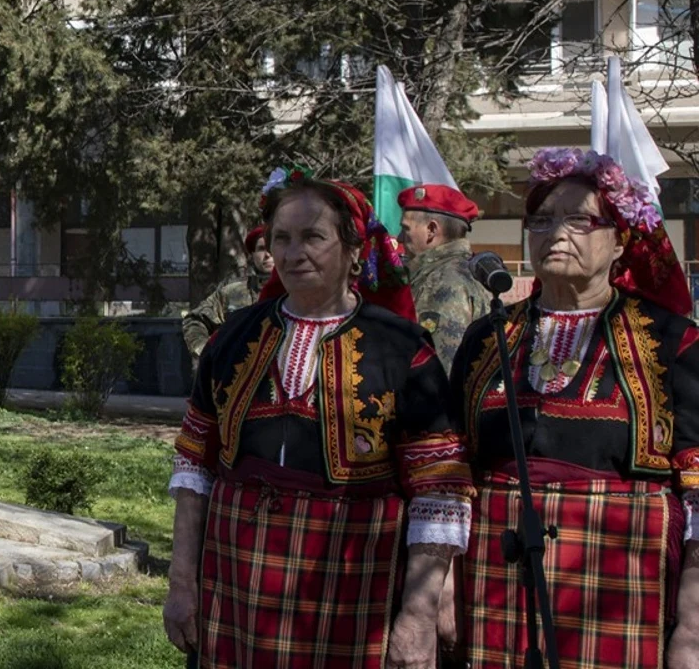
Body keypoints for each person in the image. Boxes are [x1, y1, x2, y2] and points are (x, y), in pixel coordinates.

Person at [163, 169, 473, 668]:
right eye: (280, 238)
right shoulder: (234, 337)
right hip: (237, 578)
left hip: (353, 582)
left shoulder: (402, 350)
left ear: (354, 251)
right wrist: (181, 583)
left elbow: (438, 492)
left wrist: (417, 615)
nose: (291, 252)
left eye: (313, 237)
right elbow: (194, 468)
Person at [448, 149, 699, 669]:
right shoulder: (489, 335)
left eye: (579, 219)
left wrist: (693, 629)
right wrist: (441, 588)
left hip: (619, 585)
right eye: (540, 220)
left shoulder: (672, 342)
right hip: (495, 582)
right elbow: (452, 474)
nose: (555, 233)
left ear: (619, 241)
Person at [396, 184, 491, 369]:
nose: (399, 238)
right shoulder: (459, 270)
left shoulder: (442, 282)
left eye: (406, 229)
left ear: (431, 230)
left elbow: (438, 374)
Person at [182, 224, 272, 359]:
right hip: (237, 372)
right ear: (252, 255)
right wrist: (207, 353)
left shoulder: (298, 291)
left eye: (272, 248)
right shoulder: (233, 291)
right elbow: (195, 320)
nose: (268, 255)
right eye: (261, 249)